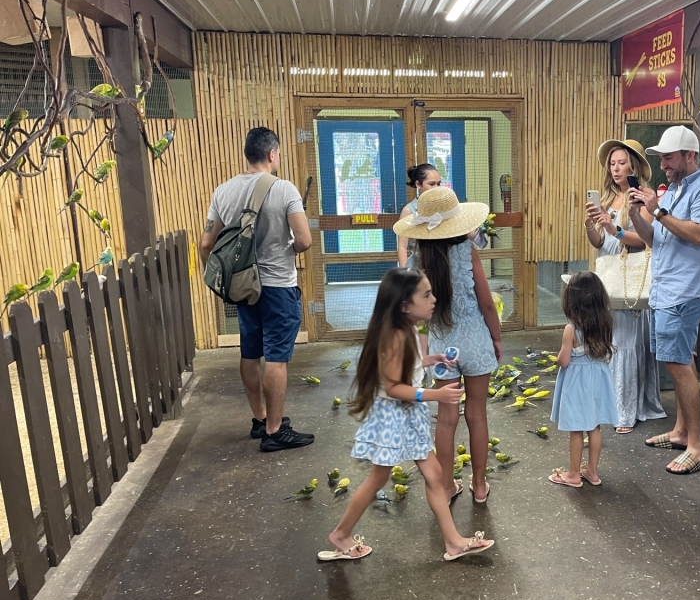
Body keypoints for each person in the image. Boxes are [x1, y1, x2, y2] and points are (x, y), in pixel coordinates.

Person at [319, 268, 494, 562]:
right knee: (378, 478)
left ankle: (452, 542)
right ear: (404, 305)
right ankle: (340, 533)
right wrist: (436, 395)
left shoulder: (408, 330)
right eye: (426, 295)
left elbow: (407, 368)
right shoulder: (396, 336)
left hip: (409, 416)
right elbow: (393, 387)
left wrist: (431, 359)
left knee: (434, 474)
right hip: (392, 417)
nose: (434, 300)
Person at [200, 127, 315, 452]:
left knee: (250, 352)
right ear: (272, 154)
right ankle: (275, 431)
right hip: (278, 286)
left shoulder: (223, 192)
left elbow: (207, 243)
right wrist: (285, 248)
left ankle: (260, 418)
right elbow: (304, 240)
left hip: (242, 286)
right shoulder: (284, 189)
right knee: (276, 358)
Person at [628, 126, 700, 475]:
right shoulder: (672, 191)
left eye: (669, 158)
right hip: (664, 289)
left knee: (678, 365)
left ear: (689, 155)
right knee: (675, 360)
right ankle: (680, 431)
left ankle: (697, 446)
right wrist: (635, 214)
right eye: (661, 158)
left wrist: (657, 211)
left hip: (686, 291)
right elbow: (654, 239)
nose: (663, 164)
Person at [393, 187, 502, 505]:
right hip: (477, 341)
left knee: (446, 419)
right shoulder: (469, 251)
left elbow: (416, 314)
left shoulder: (417, 259)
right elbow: (486, 303)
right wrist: (495, 338)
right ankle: (479, 486)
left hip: (443, 348)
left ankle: (446, 484)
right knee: (477, 415)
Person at [584, 138, 667, 434]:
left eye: (621, 162)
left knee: (627, 343)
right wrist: (591, 225)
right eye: (612, 163)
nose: (616, 168)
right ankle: (608, 403)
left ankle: (626, 410)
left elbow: (645, 239)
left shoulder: (643, 196)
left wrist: (614, 228)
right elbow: (599, 244)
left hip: (632, 275)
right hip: (608, 273)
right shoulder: (607, 199)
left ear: (634, 165)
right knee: (609, 340)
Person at [548, 272, 617, 487]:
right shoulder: (606, 323)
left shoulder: (571, 329)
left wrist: (557, 358)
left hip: (577, 381)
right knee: (594, 426)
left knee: (577, 428)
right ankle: (593, 472)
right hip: (598, 378)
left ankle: (573, 474)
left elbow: (565, 360)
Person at [397, 164, 441, 268]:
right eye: (432, 184)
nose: (436, 188)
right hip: (418, 268)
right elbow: (402, 246)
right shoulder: (409, 210)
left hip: (442, 266)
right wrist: (405, 273)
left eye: (438, 184)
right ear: (418, 184)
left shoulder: (443, 206)